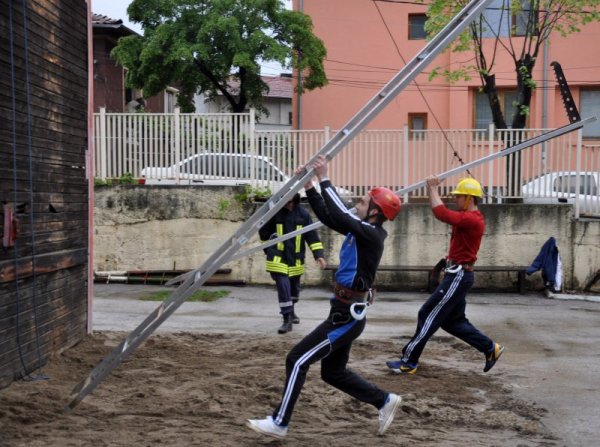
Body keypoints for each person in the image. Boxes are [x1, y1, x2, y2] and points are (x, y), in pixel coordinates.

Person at [247, 155, 403, 439]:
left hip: (346, 317)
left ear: (374, 212)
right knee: (332, 373)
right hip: (343, 311)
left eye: (363, 202)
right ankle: (384, 401)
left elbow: (340, 214)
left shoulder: (372, 234)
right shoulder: (362, 229)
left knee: (296, 359)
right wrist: (309, 185)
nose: (357, 204)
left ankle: (280, 422)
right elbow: (330, 217)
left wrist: (324, 177)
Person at [386, 175, 504, 375]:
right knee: (452, 322)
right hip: (457, 274)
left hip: (458, 277)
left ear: (469, 198)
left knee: (427, 314)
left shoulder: (471, 219)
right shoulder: (468, 218)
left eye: (459, 197)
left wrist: (431, 189)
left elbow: (441, 213)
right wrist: (449, 258)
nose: (455, 199)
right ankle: (490, 348)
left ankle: (409, 361)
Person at [258, 192, 327, 334]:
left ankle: (292, 310)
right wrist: (268, 250)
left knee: (294, 290)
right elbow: (263, 232)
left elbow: (311, 235)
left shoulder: (303, 214)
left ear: (295, 196)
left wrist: (318, 255)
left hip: (295, 259)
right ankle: (286, 319)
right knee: (283, 286)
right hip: (277, 257)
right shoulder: (274, 213)